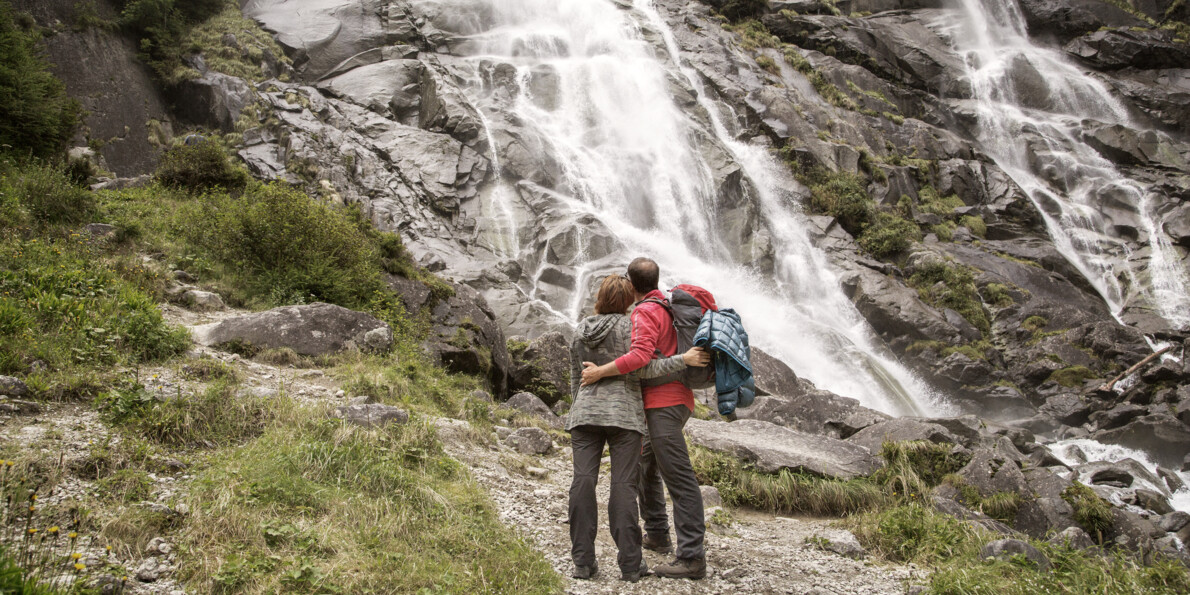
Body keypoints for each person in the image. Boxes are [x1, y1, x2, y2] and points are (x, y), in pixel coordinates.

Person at [567, 274, 709, 583]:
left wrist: (576, 409)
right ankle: (630, 565)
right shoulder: (630, 326)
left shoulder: (580, 330)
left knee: (582, 481)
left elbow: (576, 377)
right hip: (624, 416)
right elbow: (644, 366)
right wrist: (682, 360)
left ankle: (582, 562)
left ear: (599, 298)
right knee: (623, 485)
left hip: (585, 413)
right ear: (628, 299)